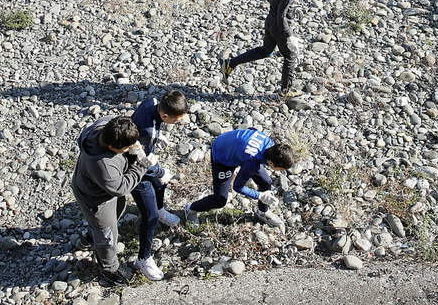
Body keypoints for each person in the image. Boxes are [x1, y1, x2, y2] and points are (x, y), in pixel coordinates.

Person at [71, 116, 156, 286]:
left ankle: (89, 237)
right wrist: (141, 166)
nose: (129, 148)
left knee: (113, 215)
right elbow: (122, 187)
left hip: (90, 186)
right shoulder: (103, 166)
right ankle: (109, 269)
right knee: (106, 235)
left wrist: (132, 148)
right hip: (96, 200)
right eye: (126, 147)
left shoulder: (104, 125)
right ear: (111, 147)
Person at [219, 0, 301, 97]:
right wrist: (290, 37)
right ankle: (285, 92)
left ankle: (230, 64)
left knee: (265, 51)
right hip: (279, 25)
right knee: (291, 56)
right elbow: (282, 17)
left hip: (269, 20)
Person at [183, 128, 296, 228]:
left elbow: (252, 129)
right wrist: (260, 196)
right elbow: (238, 187)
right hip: (222, 157)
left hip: (235, 146)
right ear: (271, 162)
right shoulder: (251, 162)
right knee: (220, 200)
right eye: (281, 169)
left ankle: (262, 213)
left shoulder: (270, 143)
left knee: (266, 182)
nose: (281, 171)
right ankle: (190, 209)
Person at [129, 90, 187, 280]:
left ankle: (161, 210)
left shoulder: (153, 101)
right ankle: (143, 259)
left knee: (161, 184)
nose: (178, 123)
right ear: (164, 116)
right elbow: (141, 163)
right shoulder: (148, 133)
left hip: (144, 154)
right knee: (149, 216)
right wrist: (161, 171)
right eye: (177, 121)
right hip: (133, 169)